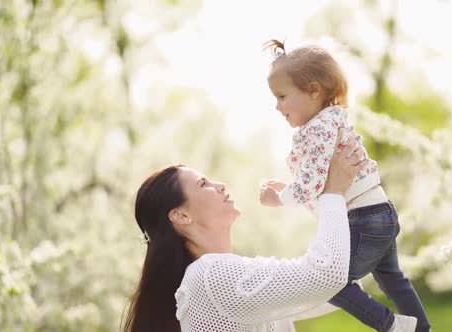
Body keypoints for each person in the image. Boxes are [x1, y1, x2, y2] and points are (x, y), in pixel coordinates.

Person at [259, 39, 430, 332]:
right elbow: (323, 179)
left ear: (313, 91)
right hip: (382, 212)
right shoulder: (332, 122)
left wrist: (279, 197)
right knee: (392, 278)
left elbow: (312, 186)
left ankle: (393, 326)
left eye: (282, 96)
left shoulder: (315, 131)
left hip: (364, 220)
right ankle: (422, 329)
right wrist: (290, 185)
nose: (277, 106)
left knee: (330, 282)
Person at [122, 132, 367, 332]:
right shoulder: (209, 276)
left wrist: (310, 199)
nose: (220, 185)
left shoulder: (232, 279)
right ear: (181, 215)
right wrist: (331, 193)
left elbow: (344, 284)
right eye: (203, 184)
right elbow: (329, 275)